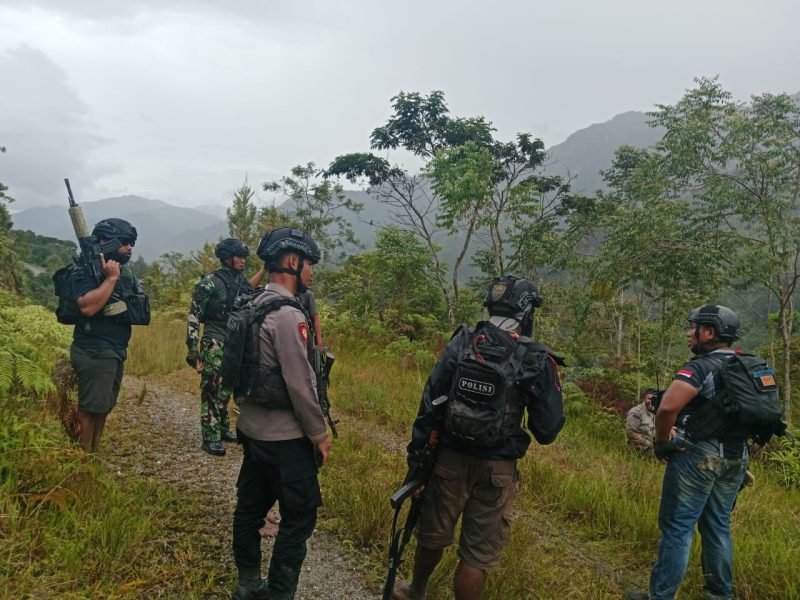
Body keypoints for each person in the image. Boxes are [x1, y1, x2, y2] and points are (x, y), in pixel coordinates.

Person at [393, 275, 565, 600]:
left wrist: (417, 461)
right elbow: (547, 431)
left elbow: (430, 401)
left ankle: (415, 590)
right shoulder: (536, 358)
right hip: (497, 470)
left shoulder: (464, 341)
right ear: (527, 313)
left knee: (433, 532)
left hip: (447, 459)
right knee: (475, 556)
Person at [231, 227, 331, 600]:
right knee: (299, 517)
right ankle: (278, 593)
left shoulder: (252, 303)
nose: (311, 273)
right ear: (292, 261)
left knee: (250, 507)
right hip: (285, 439)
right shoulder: (289, 315)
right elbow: (301, 384)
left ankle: (247, 584)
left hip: (251, 427)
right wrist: (319, 435)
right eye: (309, 265)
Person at [626, 305, 750, 600]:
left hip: (698, 456)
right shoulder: (747, 364)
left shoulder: (699, 366)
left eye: (693, 327)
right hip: (737, 458)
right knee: (718, 525)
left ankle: (661, 596)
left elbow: (667, 407)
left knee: (678, 527)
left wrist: (661, 442)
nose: (688, 333)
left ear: (709, 332)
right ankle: (719, 595)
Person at [70, 218, 149, 452]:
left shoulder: (123, 273)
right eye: (125, 242)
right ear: (106, 242)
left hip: (114, 350)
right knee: (89, 409)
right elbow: (87, 307)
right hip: (93, 349)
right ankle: (81, 461)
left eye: (132, 242)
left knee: (103, 407)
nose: (130, 247)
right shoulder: (84, 270)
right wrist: (111, 279)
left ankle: (92, 454)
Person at [185, 238, 265, 457]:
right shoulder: (210, 282)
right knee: (212, 386)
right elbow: (194, 315)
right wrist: (193, 349)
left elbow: (250, 289)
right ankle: (209, 436)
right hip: (214, 339)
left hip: (233, 341)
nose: (242, 261)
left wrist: (264, 268)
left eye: (243, 257)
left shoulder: (238, 281)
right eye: (238, 257)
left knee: (226, 386)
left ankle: (221, 428)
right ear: (228, 259)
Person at [626, 388, 657, 453]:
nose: (651, 401)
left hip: (653, 444)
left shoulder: (655, 411)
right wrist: (650, 445)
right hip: (639, 447)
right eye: (649, 399)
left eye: (654, 399)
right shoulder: (636, 412)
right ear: (644, 398)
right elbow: (631, 433)